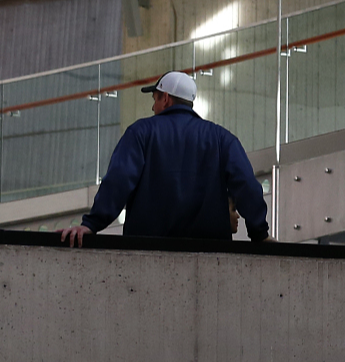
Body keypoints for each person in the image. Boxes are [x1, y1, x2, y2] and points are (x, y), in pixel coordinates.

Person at [58, 71, 269, 246]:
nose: (153, 107)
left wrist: (92, 223)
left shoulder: (141, 132)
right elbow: (246, 185)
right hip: (211, 252)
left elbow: (119, 179)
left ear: (165, 98)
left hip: (146, 250)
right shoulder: (222, 139)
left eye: (155, 99)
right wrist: (259, 233)